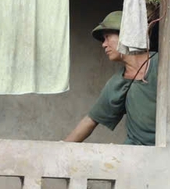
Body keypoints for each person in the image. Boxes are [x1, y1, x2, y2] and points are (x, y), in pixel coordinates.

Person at [65, 10, 158, 146]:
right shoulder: (117, 83)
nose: (104, 44)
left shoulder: (161, 64)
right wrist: (61, 148)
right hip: (135, 153)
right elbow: (90, 120)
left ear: (125, 36)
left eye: (107, 37)